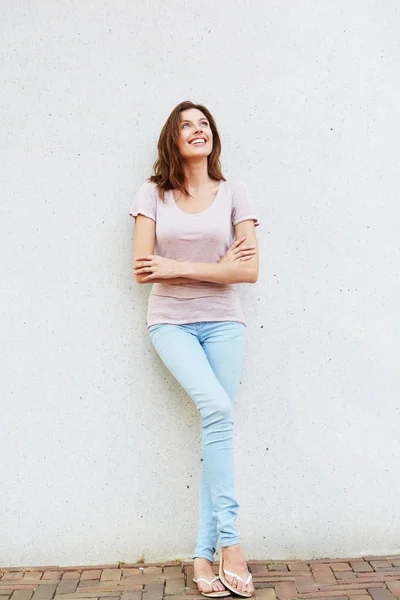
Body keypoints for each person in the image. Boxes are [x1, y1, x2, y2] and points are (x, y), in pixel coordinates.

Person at [129, 101, 259, 598]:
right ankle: (232, 543)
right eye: (187, 125)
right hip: (171, 324)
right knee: (219, 409)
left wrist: (176, 266)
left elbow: (246, 272)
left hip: (225, 322)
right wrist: (214, 266)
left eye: (204, 123)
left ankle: (204, 557)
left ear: (213, 136)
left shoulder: (234, 193)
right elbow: (144, 268)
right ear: (173, 139)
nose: (197, 130)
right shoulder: (152, 193)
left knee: (216, 423)